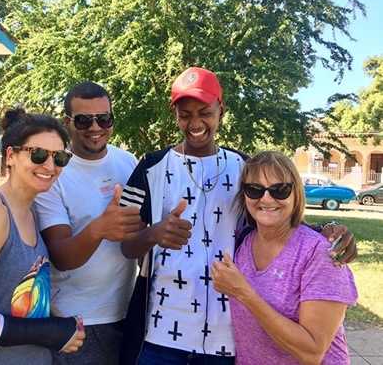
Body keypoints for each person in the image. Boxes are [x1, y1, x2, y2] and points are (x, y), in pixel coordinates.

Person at [119, 67, 358, 364]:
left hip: (228, 336)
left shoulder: (243, 166)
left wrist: (330, 229)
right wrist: (154, 234)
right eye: (184, 114)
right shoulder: (150, 166)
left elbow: (280, 217)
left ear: (221, 109)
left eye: (205, 112)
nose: (195, 123)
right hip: (160, 333)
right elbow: (126, 246)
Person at [0, 108, 85, 364]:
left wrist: (61, 322)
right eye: (39, 154)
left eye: (60, 158)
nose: (50, 166)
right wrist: (47, 332)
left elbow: (18, 288)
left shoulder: (31, 210)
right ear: (11, 155)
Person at [211, 151, 358, 363]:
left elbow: (312, 352)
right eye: (255, 189)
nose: (266, 198)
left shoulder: (321, 254)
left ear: (296, 193)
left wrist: (244, 293)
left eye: (280, 190)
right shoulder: (241, 243)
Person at [34, 81, 141, 365]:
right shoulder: (53, 171)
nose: (95, 128)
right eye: (83, 120)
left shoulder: (128, 162)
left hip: (126, 311)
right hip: (77, 320)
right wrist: (99, 229)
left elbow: (137, 233)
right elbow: (60, 255)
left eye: (103, 118)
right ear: (68, 123)